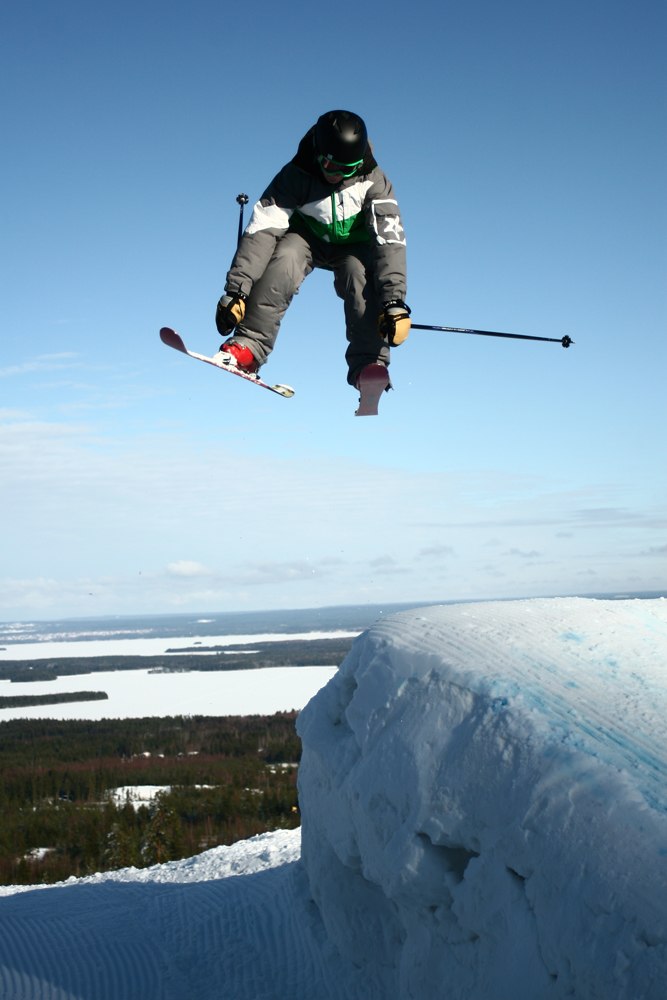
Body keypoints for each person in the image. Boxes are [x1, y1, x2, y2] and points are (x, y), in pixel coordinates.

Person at [214, 110, 410, 398]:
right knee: (285, 258)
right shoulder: (295, 175)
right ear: (319, 154)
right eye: (330, 165)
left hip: (353, 246)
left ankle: (369, 364)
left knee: (360, 276)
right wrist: (237, 291)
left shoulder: (374, 182)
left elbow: (389, 240)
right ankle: (248, 347)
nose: (337, 175)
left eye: (347, 168)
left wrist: (394, 303)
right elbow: (262, 231)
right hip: (307, 237)